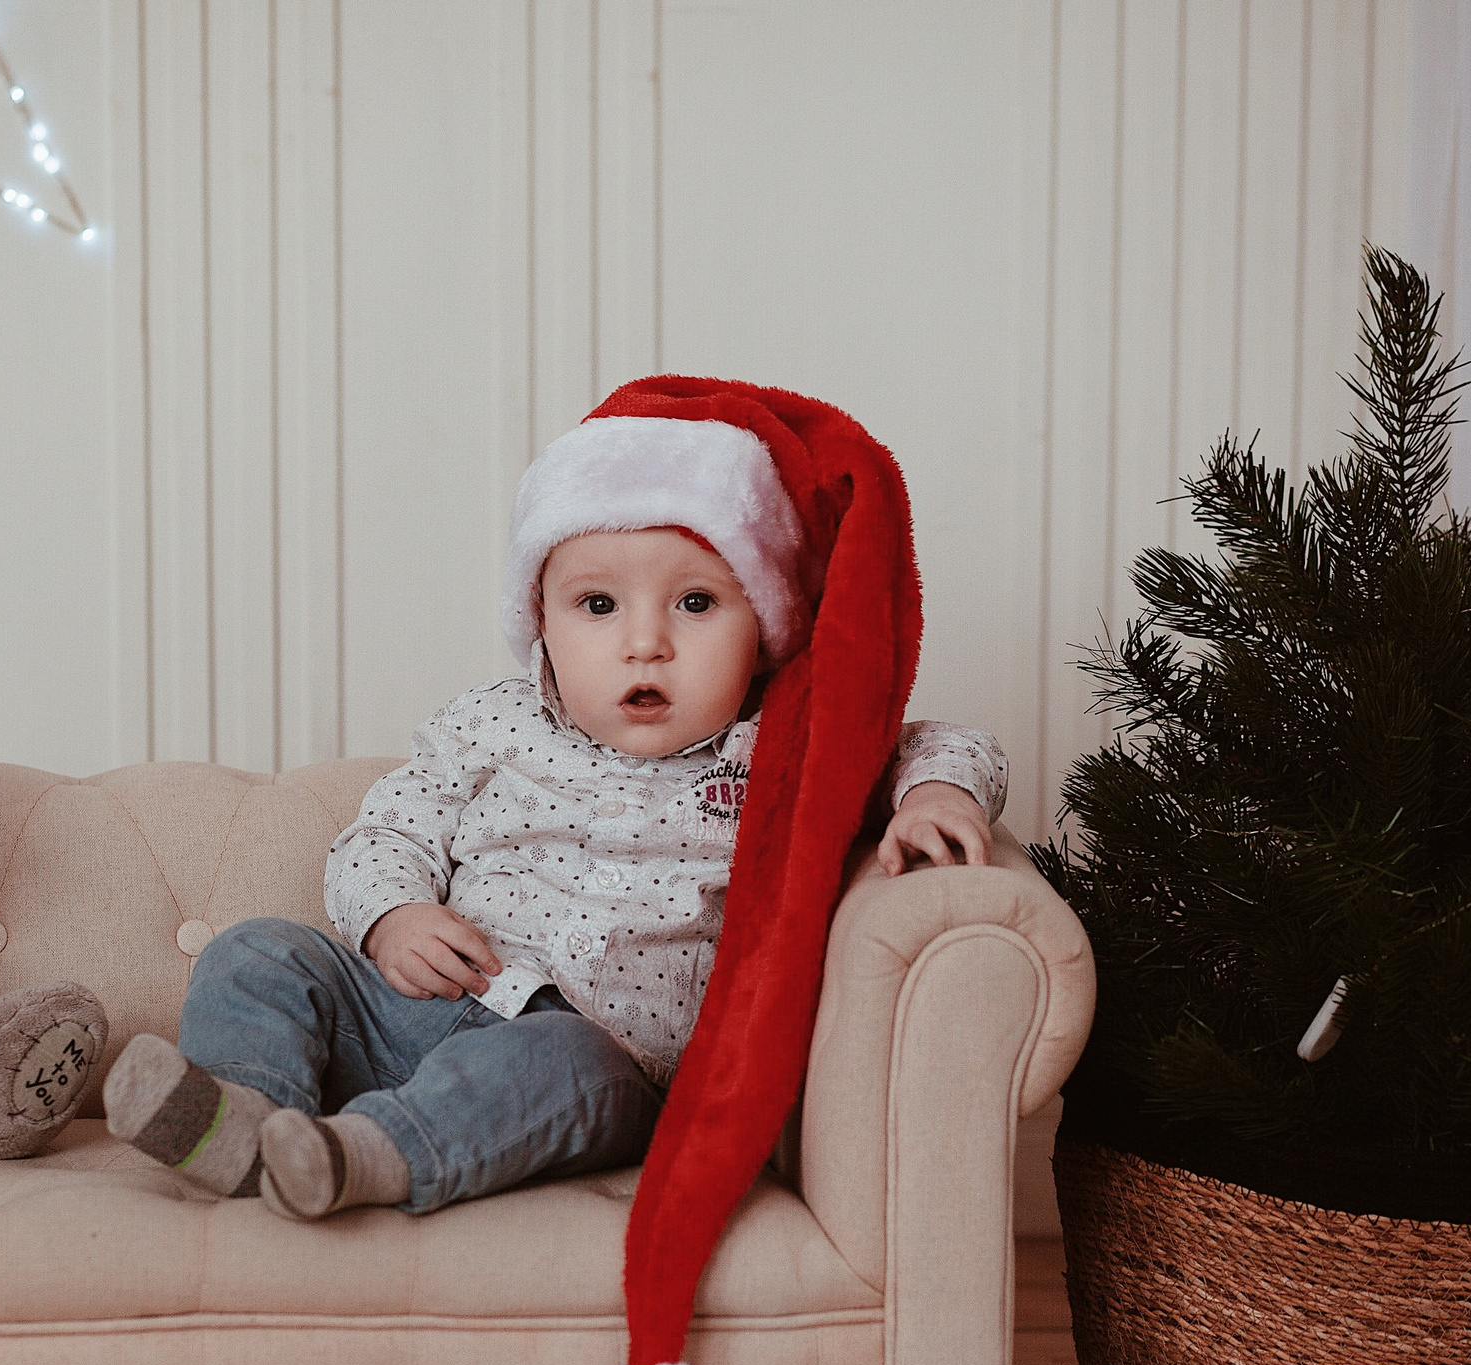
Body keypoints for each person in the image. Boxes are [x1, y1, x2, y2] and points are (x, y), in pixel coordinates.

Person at [103, 377, 1007, 1234]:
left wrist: (932, 794)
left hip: (590, 1059)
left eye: (696, 603)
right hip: (413, 1006)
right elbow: (386, 831)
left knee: (555, 1060)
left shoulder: (779, 750)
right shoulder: (492, 724)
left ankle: (360, 1156)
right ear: (543, 619)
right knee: (259, 948)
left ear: (764, 627)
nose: (645, 644)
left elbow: (935, 740)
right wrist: (393, 916)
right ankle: (246, 1123)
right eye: (599, 604)